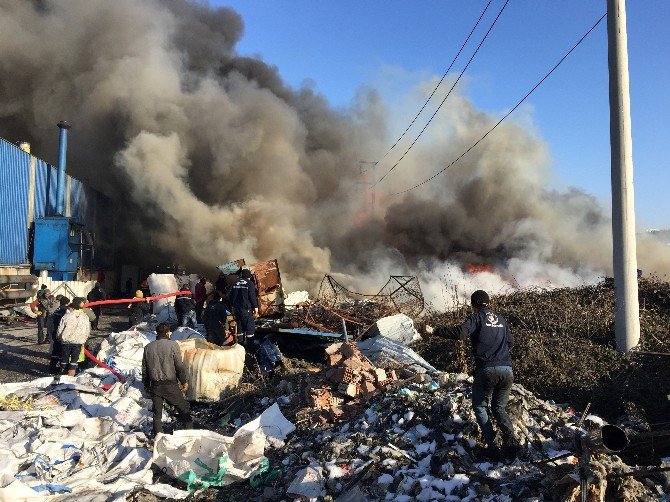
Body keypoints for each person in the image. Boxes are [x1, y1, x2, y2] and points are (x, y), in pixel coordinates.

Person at [424, 290, 520, 461]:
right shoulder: (501, 320)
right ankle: (510, 439)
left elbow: (460, 333)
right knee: (499, 407)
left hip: (487, 369)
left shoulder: (476, 318)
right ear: (489, 303)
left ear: (473, 305)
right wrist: (500, 354)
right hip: (507, 369)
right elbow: (511, 341)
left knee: (481, 406)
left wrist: (434, 330)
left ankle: (494, 446)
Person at [141, 322, 193, 435]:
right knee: (184, 408)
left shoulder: (148, 347)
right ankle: (188, 434)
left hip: (155, 386)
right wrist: (184, 381)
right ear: (168, 333)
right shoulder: (173, 345)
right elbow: (179, 366)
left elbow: (144, 369)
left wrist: (146, 385)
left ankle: (157, 437)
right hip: (170, 385)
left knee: (157, 414)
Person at [57, 297, 91, 377]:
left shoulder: (66, 316)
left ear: (72, 308)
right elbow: (87, 329)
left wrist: (59, 337)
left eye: (69, 308)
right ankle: (71, 376)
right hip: (79, 342)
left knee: (64, 358)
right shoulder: (85, 317)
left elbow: (60, 329)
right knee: (74, 360)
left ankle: (62, 374)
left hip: (66, 341)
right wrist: (85, 338)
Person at [228, 269, 259, 347]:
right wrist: (255, 307)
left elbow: (230, 296)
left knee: (240, 329)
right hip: (246, 310)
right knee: (250, 330)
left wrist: (232, 307)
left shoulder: (234, 282)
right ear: (248, 276)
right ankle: (250, 350)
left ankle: (240, 348)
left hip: (237, 310)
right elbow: (252, 297)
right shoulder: (249, 283)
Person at [48, 296, 70, 374]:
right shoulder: (65, 310)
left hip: (55, 331)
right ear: (67, 303)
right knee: (62, 351)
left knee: (55, 350)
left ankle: (52, 366)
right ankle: (63, 368)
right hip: (61, 332)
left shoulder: (58, 309)